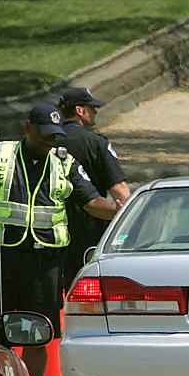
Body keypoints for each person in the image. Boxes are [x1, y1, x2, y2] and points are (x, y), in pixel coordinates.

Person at [0, 103, 119, 376]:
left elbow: (92, 202)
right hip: (1, 260)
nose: (50, 142)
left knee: (37, 335)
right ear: (28, 127)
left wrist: (122, 212)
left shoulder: (63, 163)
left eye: (54, 137)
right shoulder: (0, 157)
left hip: (44, 264)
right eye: (45, 135)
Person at [56, 87, 130, 290]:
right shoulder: (96, 143)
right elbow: (119, 190)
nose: (96, 112)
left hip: (48, 233)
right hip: (88, 232)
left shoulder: (48, 141)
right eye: (92, 108)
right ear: (79, 111)